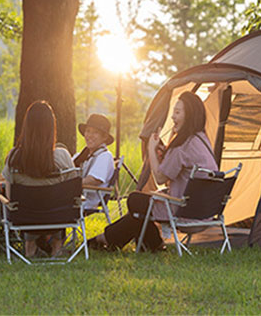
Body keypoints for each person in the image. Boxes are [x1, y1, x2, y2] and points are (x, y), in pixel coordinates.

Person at [88, 91, 217, 252]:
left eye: (177, 112)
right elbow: (176, 169)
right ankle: (142, 244)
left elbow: (160, 178)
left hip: (184, 210)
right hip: (204, 210)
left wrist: (151, 149)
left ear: (189, 114)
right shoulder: (202, 140)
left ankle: (112, 240)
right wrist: (164, 155)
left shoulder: (182, 146)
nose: (173, 117)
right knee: (140, 211)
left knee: (136, 201)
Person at [1, 100, 80, 258]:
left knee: (27, 204)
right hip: (59, 218)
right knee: (57, 200)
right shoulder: (62, 156)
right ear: (52, 128)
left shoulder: (14, 157)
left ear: (27, 127)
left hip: (25, 218)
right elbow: (72, 193)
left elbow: (10, 198)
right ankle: (57, 246)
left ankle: (30, 246)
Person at [72, 113, 116, 212]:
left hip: (85, 200)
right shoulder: (82, 155)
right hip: (73, 196)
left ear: (104, 137)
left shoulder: (105, 156)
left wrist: (69, 185)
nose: (89, 136)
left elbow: (93, 180)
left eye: (95, 132)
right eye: (88, 131)